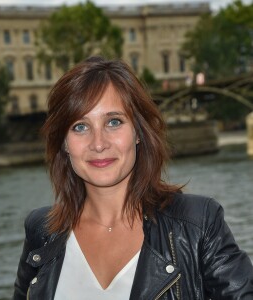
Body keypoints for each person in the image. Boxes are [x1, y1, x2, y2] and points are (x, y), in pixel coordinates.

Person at [13, 56, 253, 300]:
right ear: (63, 143)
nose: (98, 143)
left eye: (114, 122)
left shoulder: (197, 225)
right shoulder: (41, 231)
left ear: (139, 132)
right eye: (80, 127)